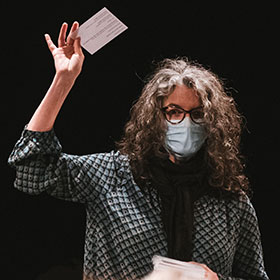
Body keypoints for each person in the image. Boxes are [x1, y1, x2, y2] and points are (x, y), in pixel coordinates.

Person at [8, 22, 269, 280]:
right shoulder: (112, 175)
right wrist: (63, 81)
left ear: (212, 122)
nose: (186, 123)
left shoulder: (231, 201)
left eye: (198, 114)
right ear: (155, 117)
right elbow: (33, 167)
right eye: (174, 112)